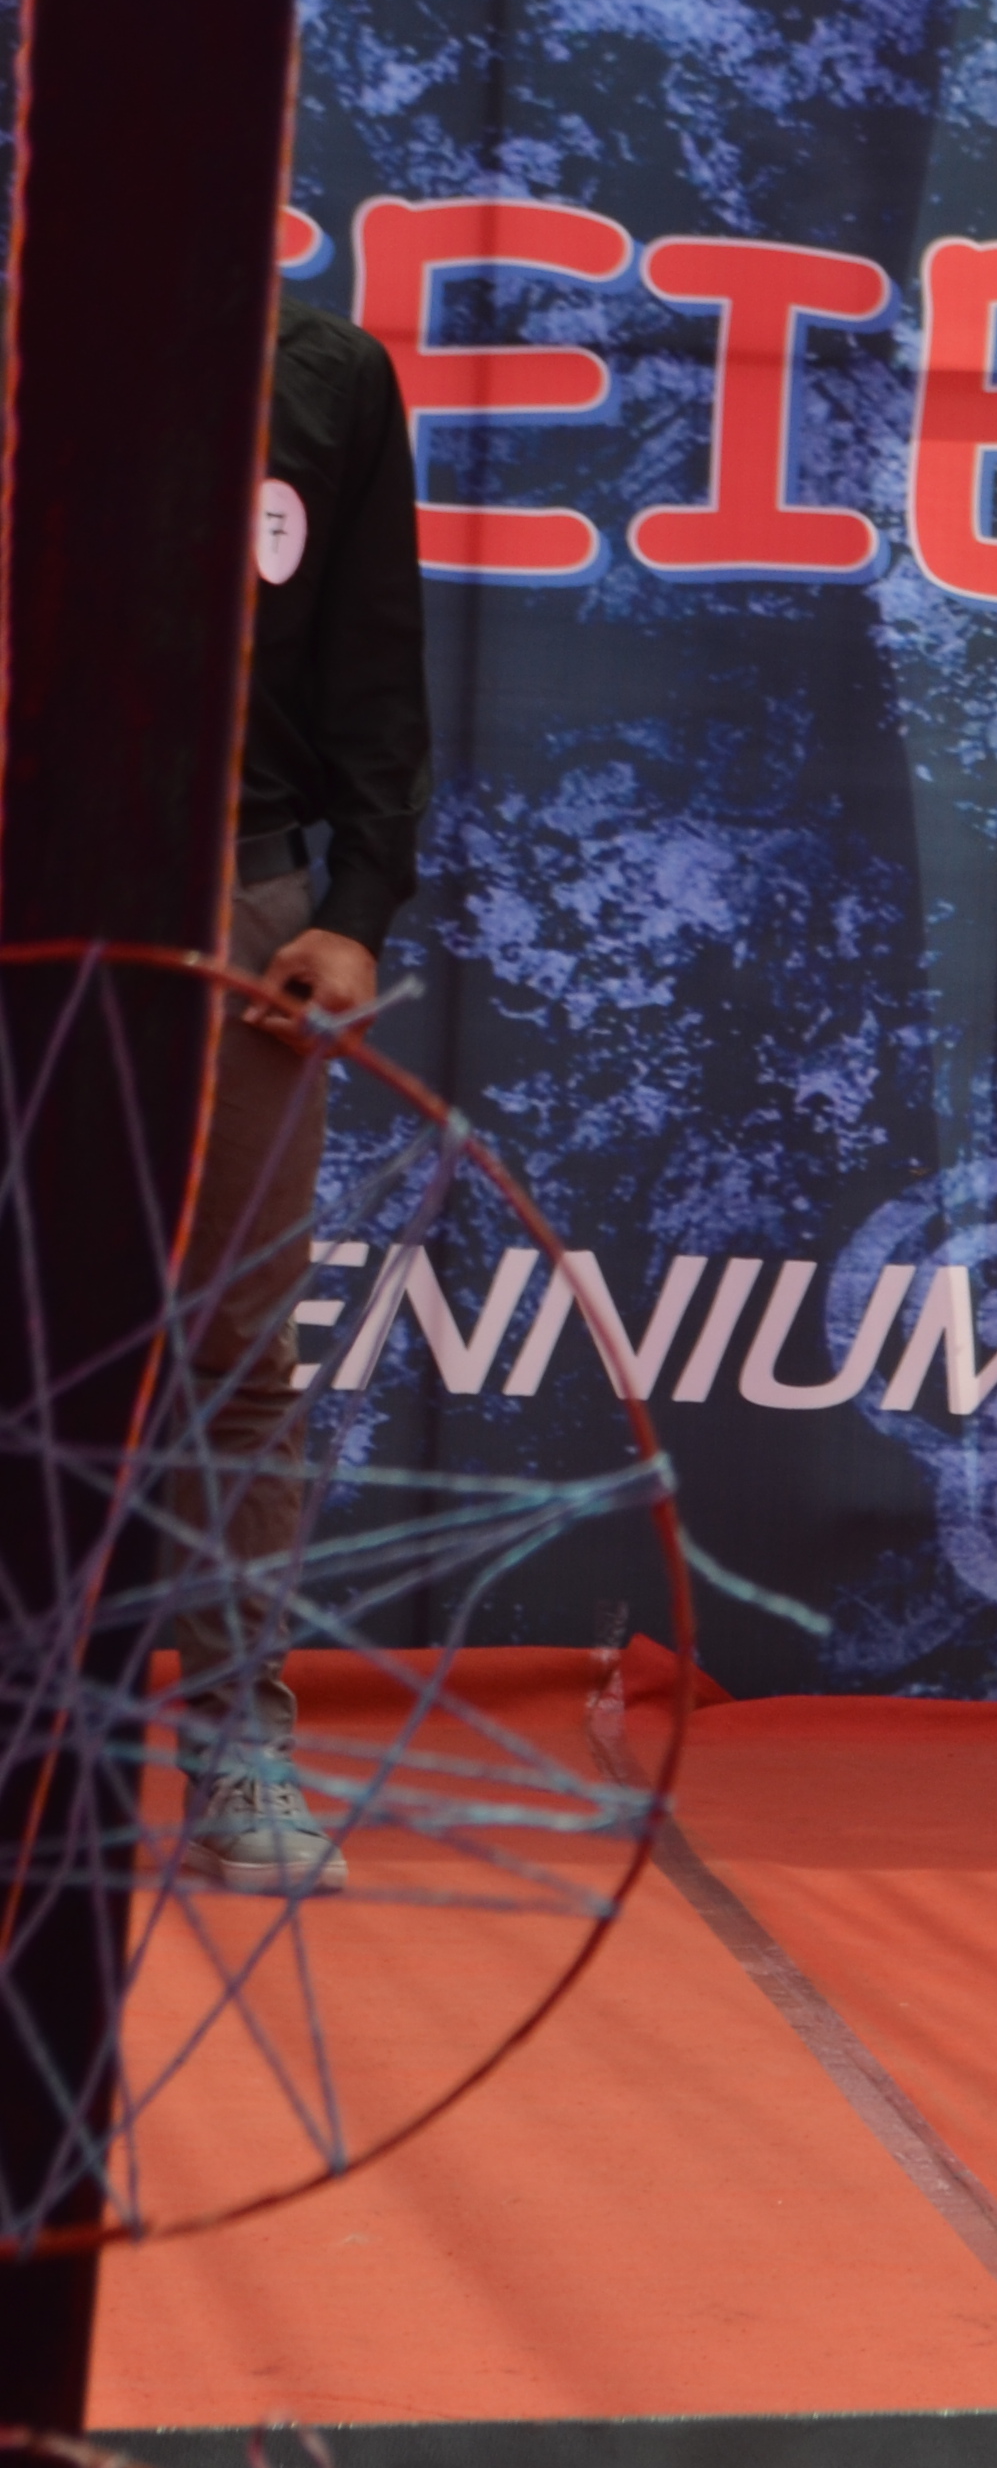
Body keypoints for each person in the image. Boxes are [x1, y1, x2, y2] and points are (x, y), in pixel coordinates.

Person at [176, 298, 431, 1892]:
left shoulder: (324, 375)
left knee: (237, 1350)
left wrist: (356, 907)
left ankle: (235, 1742)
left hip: (243, 901)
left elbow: (373, 663)